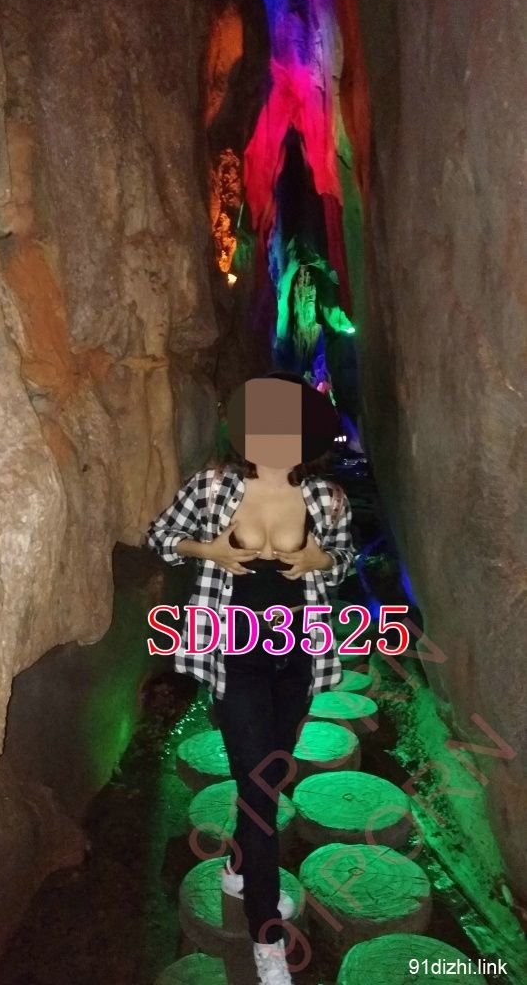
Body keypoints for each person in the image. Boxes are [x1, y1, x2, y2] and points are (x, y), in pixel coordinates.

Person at [147, 373, 356, 985]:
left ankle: (240, 866)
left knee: (272, 770)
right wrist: (208, 551)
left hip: (297, 655)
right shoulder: (214, 486)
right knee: (259, 789)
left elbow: (343, 560)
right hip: (234, 655)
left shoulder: (327, 498)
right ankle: (266, 935)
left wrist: (321, 559)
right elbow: (160, 536)